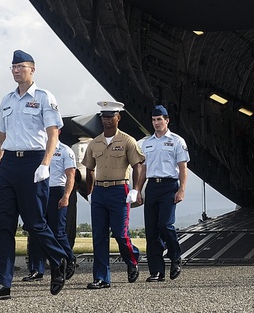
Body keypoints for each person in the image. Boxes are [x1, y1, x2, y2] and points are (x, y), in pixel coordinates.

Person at [0, 50, 72, 301]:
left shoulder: (44, 97)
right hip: (9, 164)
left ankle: (59, 260)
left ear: (33, 69)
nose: (16, 70)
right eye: (13, 67)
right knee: (3, 225)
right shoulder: (7, 100)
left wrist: (45, 164)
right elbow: (1, 137)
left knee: (34, 223)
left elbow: (53, 133)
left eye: (21, 66)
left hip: (34, 162)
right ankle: (1, 284)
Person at [81, 101, 145, 289]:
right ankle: (101, 277)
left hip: (119, 190)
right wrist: (90, 191)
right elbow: (90, 169)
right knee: (99, 236)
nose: (107, 120)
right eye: (104, 117)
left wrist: (136, 189)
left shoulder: (127, 141)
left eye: (110, 117)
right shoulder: (95, 143)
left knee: (120, 233)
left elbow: (137, 166)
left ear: (118, 118)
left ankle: (132, 259)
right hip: (100, 191)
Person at [139, 104, 190, 282]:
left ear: (167, 120)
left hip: (169, 186)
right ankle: (156, 270)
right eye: (153, 120)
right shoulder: (147, 143)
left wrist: (181, 189)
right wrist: (138, 190)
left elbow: (183, 168)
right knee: (151, 229)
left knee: (165, 225)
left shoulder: (177, 141)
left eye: (159, 119)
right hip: (152, 186)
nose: (156, 123)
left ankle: (175, 256)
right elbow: (143, 169)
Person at [25, 141, 78, 281]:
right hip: (39, 190)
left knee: (58, 231)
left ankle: (69, 258)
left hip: (57, 191)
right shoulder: (37, 149)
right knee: (36, 231)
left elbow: (71, 175)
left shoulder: (65, 150)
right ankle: (36, 269)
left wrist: (66, 196)